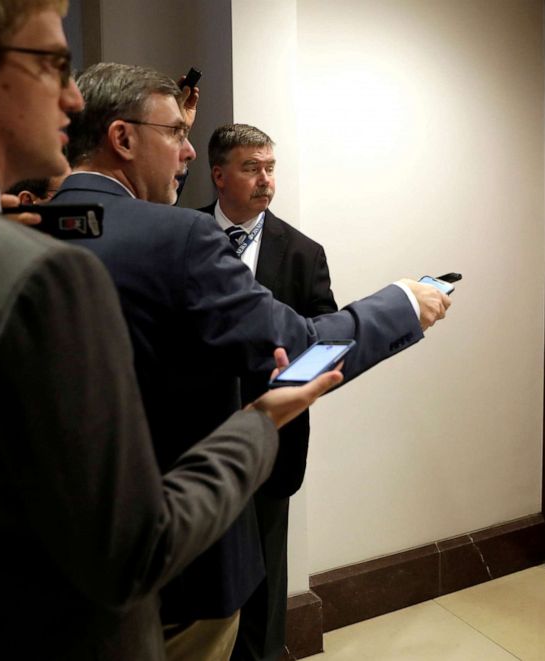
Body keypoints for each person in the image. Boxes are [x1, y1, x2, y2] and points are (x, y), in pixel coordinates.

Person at [0, 1, 340, 658]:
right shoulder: (47, 268)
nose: (71, 97)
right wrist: (262, 419)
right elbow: (133, 548)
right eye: (53, 62)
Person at [55, 62, 451, 659]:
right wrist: (401, 306)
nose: (186, 151)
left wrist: (166, 130)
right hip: (185, 541)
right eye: (175, 136)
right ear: (122, 138)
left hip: (64, 551)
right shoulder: (181, 238)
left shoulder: (31, 219)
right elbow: (299, 343)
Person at [198, 124, 338, 661]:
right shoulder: (180, 237)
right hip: (194, 436)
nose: (265, 180)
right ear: (218, 175)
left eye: (270, 167)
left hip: (272, 441)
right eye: (251, 168)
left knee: (264, 574)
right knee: (200, 572)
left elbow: (329, 341)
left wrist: (288, 386)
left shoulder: (303, 253)